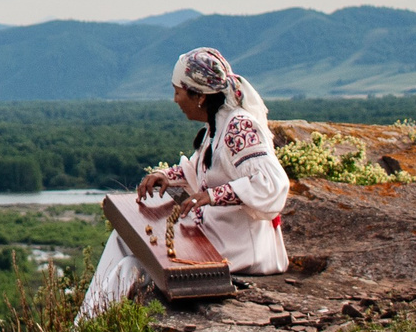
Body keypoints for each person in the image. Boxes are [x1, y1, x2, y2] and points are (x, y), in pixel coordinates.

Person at [79, 46, 292, 317]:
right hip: (222, 236)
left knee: (129, 269)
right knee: (121, 238)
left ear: (199, 96)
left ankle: (89, 331)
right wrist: (165, 177)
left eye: (178, 91)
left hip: (244, 248)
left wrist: (214, 196)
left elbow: (272, 185)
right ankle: (83, 324)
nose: (175, 99)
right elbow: (199, 171)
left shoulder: (240, 127)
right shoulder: (217, 126)